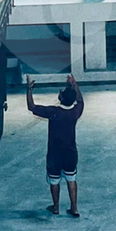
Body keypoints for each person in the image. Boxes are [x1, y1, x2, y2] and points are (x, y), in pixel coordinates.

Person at [26, 74, 84, 218]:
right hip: (71, 152)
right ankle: (74, 208)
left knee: (54, 180)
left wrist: (29, 90)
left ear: (61, 99)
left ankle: (56, 207)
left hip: (54, 153)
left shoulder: (54, 112)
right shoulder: (75, 112)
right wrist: (74, 84)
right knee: (71, 179)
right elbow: (81, 101)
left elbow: (31, 106)